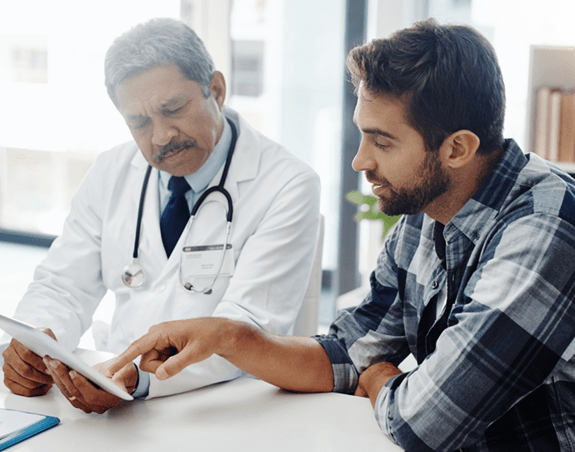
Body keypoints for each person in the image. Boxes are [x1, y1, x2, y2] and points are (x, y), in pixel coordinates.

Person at [107, 18, 575, 451]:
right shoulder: (428, 210)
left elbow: (424, 423)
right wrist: (227, 336)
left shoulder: (546, 227)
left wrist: (379, 382)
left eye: (383, 142)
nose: (360, 161)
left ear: (457, 148)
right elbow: (347, 354)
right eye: (362, 135)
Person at [1, 18, 321, 414]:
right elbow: (62, 286)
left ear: (216, 90)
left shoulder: (288, 184)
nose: (161, 136)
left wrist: (140, 378)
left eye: (174, 109)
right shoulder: (111, 171)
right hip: (113, 397)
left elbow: (245, 332)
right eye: (139, 122)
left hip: (227, 409)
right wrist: (36, 344)